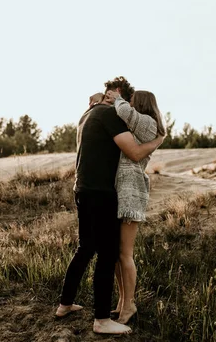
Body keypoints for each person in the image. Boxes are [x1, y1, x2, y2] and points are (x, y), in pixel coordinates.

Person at [55, 77, 163, 335]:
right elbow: (135, 153)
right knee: (106, 255)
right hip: (101, 192)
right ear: (119, 95)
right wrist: (159, 141)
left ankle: (65, 304)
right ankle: (102, 320)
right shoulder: (111, 114)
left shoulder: (87, 113)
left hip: (81, 188)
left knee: (85, 248)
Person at [103, 89, 166, 324]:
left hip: (132, 193)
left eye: (131, 100)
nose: (128, 103)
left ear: (140, 103)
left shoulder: (148, 124)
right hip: (124, 191)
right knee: (119, 255)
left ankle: (129, 306)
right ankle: (122, 302)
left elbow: (124, 110)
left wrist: (116, 97)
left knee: (125, 254)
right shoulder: (142, 127)